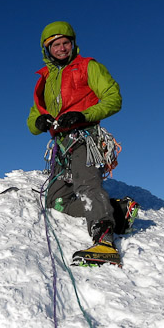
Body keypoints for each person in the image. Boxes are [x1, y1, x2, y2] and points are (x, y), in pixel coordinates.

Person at [27, 21, 137, 266]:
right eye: (56, 44)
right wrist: (41, 122)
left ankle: (105, 243)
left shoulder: (88, 67)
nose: (62, 47)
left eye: (66, 42)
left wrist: (84, 115)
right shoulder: (44, 80)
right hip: (60, 145)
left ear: (73, 43)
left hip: (85, 137)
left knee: (87, 186)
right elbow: (31, 120)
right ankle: (116, 211)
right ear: (47, 49)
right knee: (56, 201)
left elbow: (113, 98)